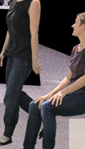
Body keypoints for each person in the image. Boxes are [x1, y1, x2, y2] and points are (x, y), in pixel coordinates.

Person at [21, 12, 85, 149]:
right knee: (35, 105)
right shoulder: (76, 48)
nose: (72, 25)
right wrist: (49, 94)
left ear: (83, 27)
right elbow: (68, 78)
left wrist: (63, 92)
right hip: (74, 93)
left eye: (76, 22)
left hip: (83, 96)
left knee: (47, 107)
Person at [0, 0, 41, 146]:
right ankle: (40, 114)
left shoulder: (34, 2)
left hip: (24, 56)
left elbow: (34, 33)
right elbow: (10, 29)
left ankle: (7, 133)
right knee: (14, 93)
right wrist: (3, 50)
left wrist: (35, 60)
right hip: (11, 53)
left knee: (10, 97)